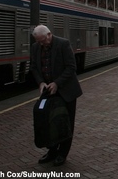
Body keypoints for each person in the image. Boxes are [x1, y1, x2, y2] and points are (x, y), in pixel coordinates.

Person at [30, 25, 83, 166]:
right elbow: (34, 67)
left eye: (43, 41)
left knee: (66, 123)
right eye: (39, 42)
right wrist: (41, 83)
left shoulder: (63, 44)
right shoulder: (36, 47)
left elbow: (71, 67)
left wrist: (57, 83)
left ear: (49, 34)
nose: (41, 44)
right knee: (49, 122)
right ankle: (52, 151)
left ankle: (62, 153)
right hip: (48, 91)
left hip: (66, 91)